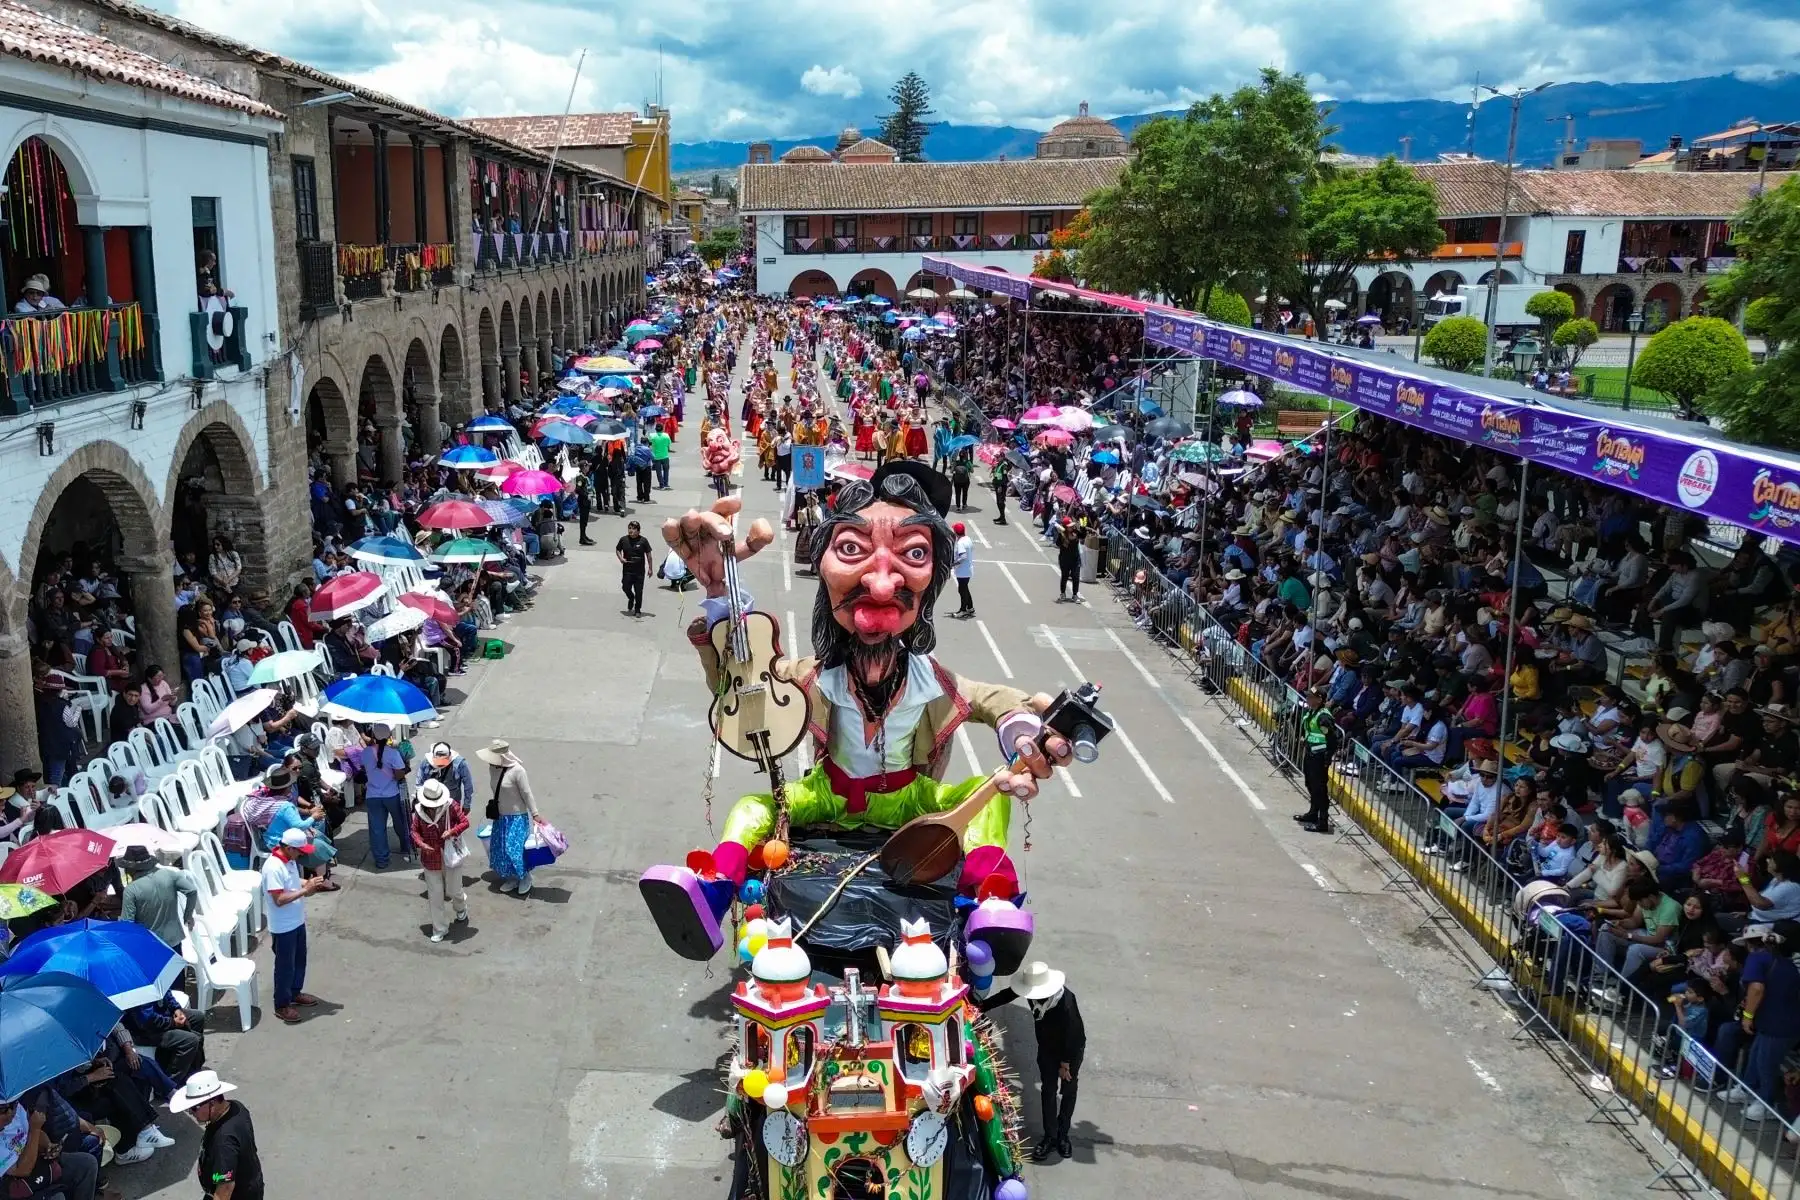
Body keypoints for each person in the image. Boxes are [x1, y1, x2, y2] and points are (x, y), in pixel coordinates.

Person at [643, 465, 1070, 964]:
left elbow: (999, 702)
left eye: (913, 554)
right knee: (751, 811)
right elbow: (743, 679)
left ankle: (992, 900)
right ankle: (714, 892)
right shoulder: (812, 676)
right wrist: (720, 591)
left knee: (986, 796)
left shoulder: (934, 681)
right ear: (823, 569)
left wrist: (1026, 737)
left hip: (913, 799)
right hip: (829, 792)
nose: (883, 585)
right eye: (852, 549)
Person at [981, 961, 1084, 1161]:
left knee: (1069, 1089)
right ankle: (1050, 1136)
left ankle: (1063, 1136)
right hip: (1047, 1047)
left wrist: (1065, 1064)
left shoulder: (1066, 1003)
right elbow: (1007, 995)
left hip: (1070, 1052)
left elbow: (1074, 1035)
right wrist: (981, 1006)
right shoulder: (1035, 994)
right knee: (1048, 1090)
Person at [261, 826, 326, 1023]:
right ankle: (282, 1004)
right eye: (299, 851)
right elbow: (279, 899)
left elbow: (292, 882)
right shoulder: (273, 867)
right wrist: (305, 891)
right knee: (285, 966)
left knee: (299, 960)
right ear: (289, 848)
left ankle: (295, 993)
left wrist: (308, 883)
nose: (300, 855)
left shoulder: (288, 861)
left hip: (296, 921)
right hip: (283, 926)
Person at [170, 1071, 264, 1200]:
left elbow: (225, 1188)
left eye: (194, 1108)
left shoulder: (223, 1143)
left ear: (212, 1104)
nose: (191, 1112)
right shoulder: (236, 1107)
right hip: (251, 1182)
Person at [0, 1094, 103, 1200]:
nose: (10, 1112)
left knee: (87, 1163)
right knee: (57, 1198)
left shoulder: (16, 1111)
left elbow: (37, 1134)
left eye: (13, 1105)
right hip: (15, 1185)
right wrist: (34, 1128)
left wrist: (48, 1146)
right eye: (2, 1110)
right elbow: (22, 1170)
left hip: (38, 1162)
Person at [477, 739, 541, 896]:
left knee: (515, 850)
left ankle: (525, 877)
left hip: (517, 817)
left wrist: (535, 814)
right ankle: (512, 878)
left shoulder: (518, 771)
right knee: (502, 850)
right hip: (500, 817)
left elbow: (527, 794)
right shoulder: (493, 768)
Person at [409, 779, 470, 942]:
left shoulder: (451, 805)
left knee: (454, 889)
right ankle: (440, 928)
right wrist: (421, 844)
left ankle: (461, 906)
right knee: (435, 894)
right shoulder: (418, 811)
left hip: (451, 854)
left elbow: (465, 822)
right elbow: (414, 831)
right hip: (430, 858)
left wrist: (451, 832)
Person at [118, 845, 198, 951]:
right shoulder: (170, 874)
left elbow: (127, 924)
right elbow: (192, 891)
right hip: (174, 940)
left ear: (130, 869)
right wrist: (188, 915)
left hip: (149, 946)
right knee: (177, 967)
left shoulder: (131, 890)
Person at [358, 723, 412, 869]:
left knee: (377, 829)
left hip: (372, 796)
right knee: (401, 822)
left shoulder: (365, 753)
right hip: (392, 794)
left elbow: (363, 768)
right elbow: (399, 774)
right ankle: (406, 846)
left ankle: (381, 860)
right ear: (389, 736)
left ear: (373, 736)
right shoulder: (393, 753)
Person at [1294, 687, 1339, 834]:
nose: (1307, 699)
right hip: (1310, 754)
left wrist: (1327, 757)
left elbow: (1332, 739)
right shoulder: (1311, 712)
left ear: (1319, 699)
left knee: (1320, 789)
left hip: (1320, 757)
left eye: (1311, 697)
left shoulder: (1323, 717)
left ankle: (1322, 822)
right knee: (1310, 784)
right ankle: (1313, 813)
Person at [617, 520, 654, 617]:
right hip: (627, 570)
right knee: (625, 587)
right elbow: (618, 549)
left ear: (638, 531)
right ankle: (630, 597)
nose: (631, 530)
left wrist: (650, 568)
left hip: (639, 571)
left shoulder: (643, 541)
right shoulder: (623, 540)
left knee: (639, 591)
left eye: (633, 529)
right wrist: (621, 558)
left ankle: (637, 609)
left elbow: (649, 555)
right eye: (629, 528)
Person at [1054, 517, 1083, 603]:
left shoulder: (1076, 532)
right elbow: (1057, 544)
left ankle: (1075, 595)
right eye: (1069, 526)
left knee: (1075, 576)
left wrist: (1083, 525)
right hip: (1064, 558)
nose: (1071, 527)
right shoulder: (1062, 534)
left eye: (1072, 526)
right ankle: (1062, 593)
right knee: (1065, 576)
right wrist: (1060, 534)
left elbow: (1083, 535)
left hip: (1075, 558)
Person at [950, 521, 975, 618]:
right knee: (965, 589)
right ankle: (970, 607)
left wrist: (953, 564)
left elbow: (963, 556)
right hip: (968, 569)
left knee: (962, 590)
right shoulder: (967, 539)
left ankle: (963, 610)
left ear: (956, 532)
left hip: (962, 571)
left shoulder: (960, 543)